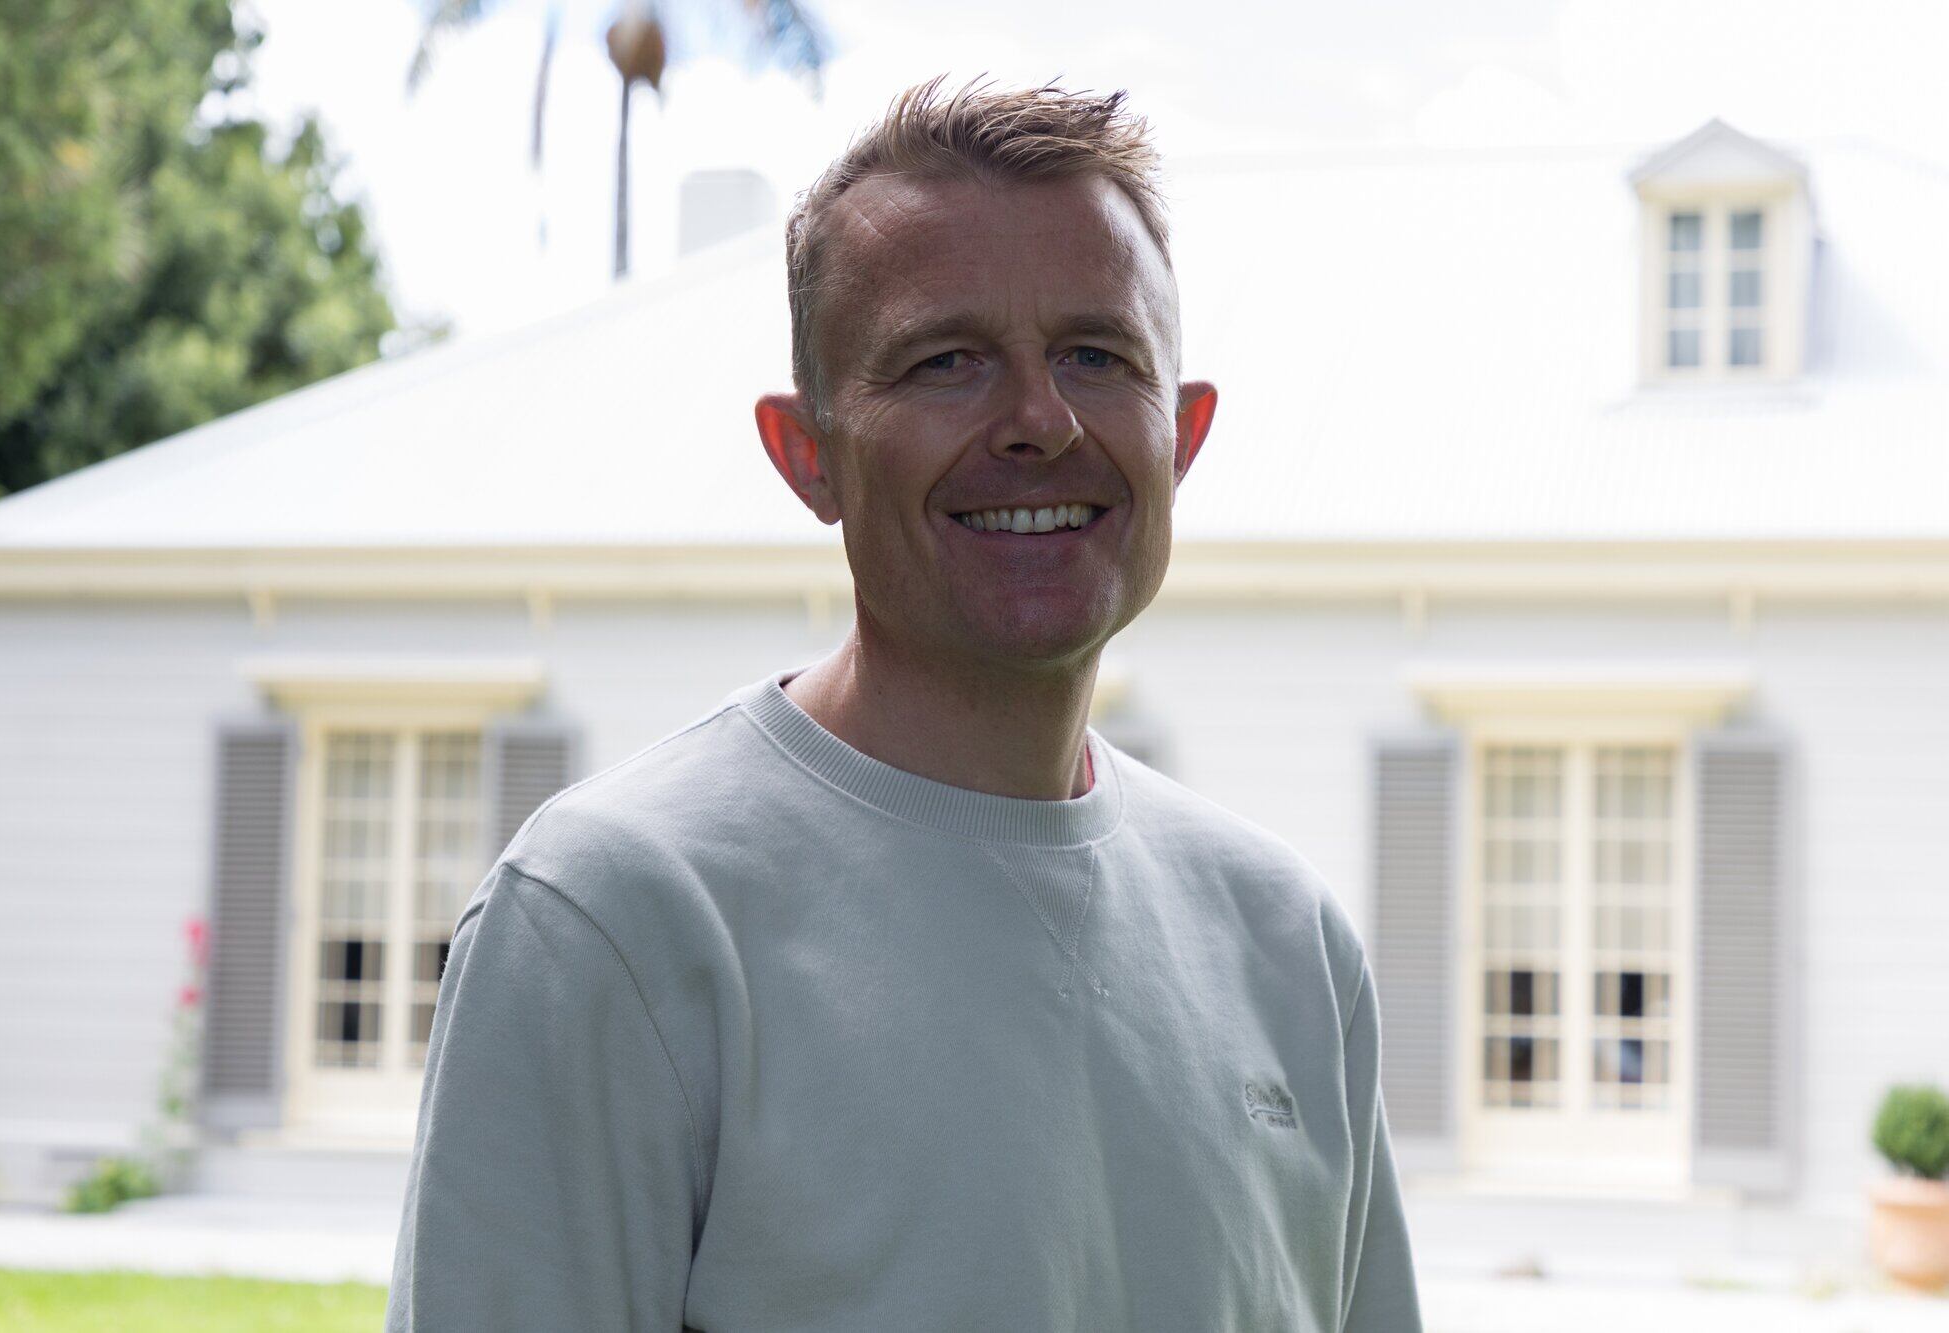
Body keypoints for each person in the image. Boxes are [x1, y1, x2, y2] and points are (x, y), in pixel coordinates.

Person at [386, 74, 1424, 1332]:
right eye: (946, 362)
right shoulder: (616, 920)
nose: (1038, 421)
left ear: (1181, 434)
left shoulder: (1288, 948)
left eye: (1096, 355)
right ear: (806, 454)